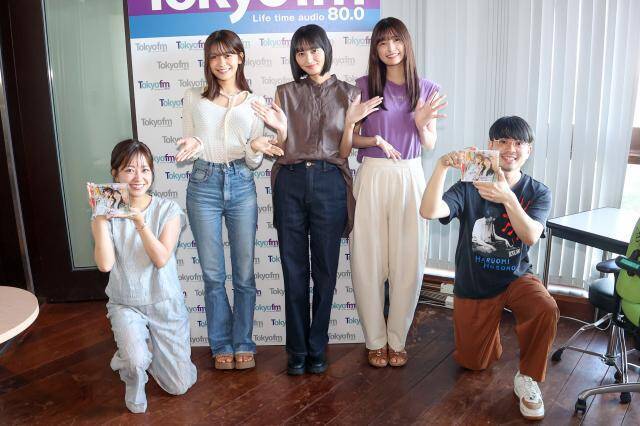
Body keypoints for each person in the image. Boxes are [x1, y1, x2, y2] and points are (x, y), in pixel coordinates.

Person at [251, 24, 381, 375]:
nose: (307, 58)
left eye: (314, 50)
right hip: (291, 180)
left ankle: (317, 346)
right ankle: (296, 350)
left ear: (326, 50)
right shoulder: (285, 92)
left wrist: (350, 124)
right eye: (300, 52)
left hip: (329, 181)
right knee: (293, 269)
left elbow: (344, 153)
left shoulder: (350, 93)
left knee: (325, 271)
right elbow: (282, 149)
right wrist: (281, 131)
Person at [420, 116, 559, 421]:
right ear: (490, 145)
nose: (510, 148)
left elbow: (530, 236)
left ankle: (528, 377)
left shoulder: (538, 191)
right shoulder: (470, 185)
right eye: (502, 141)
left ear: (529, 150)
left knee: (545, 307)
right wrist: (441, 166)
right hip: (475, 282)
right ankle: (487, 332)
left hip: (516, 277)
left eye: (518, 143)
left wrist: (508, 197)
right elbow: (428, 210)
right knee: (473, 363)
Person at [175, 30, 283, 370]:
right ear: (207, 61)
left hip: (241, 183)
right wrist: (194, 145)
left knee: (244, 274)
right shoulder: (193, 97)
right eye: (214, 56)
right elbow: (192, 140)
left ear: (240, 57)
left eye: (228, 55)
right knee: (212, 274)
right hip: (203, 184)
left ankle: (243, 342)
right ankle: (221, 343)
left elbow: (253, 159)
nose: (221, 62)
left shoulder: (255, 102)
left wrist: (255, 148)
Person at [345, 17, 447, 368]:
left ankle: (397, 340)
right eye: (382, 42)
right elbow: (349, 140)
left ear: (406, 43)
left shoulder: (426, 88)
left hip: (410, 174)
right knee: (368, 259)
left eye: (396, 40)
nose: (390, 48)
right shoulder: (363, 87)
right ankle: (375, 340)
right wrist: (368, 135)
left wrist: (420, 124)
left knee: (408, 260)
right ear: (375, 48)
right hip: (373, 173)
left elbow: (430, 143)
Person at [90, 139, 197, 414]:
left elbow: (160, 258)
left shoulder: (168, 210)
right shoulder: (107, 212)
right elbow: (105, 265)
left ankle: (141, 350)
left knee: (179, 385)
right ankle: (132, 368)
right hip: (126, 302)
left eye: (145, 169)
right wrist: (100, 220)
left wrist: (140, 223)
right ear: (115, 174)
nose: (138, 177)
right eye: (129, 170)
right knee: (136, 361)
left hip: (164, 301)